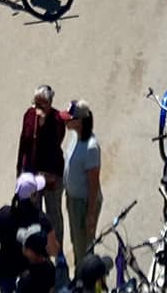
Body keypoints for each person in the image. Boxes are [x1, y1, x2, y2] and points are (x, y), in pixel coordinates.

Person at [16, 86, 69, 245]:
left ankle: (56, 247)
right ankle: (36, 246)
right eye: (36, 104)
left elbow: (55, 143)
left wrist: (43, 123)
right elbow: (23, 143)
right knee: (34, 213)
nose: (38, 108)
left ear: (50, 103)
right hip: (32, 174)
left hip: (51, 175)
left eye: (42, 105)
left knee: (53, 214)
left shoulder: (58, 120)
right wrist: (20, 171)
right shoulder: (29, 115)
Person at [0, 174, 59, 293]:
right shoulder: (42, 220)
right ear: (33, 196)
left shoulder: (3, 214)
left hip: (5, 270)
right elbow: (53, 250)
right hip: (31, 277)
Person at [62, 102, 102, 270]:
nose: (66, 122)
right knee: (76, 241)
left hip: (83, 203)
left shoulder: (91, 148)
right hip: (73, 200)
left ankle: (86, 281)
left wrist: (90, 214)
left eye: (70, 119)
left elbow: (94, 185)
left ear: (80, 121)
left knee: (84, 247)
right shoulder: (75, 137)